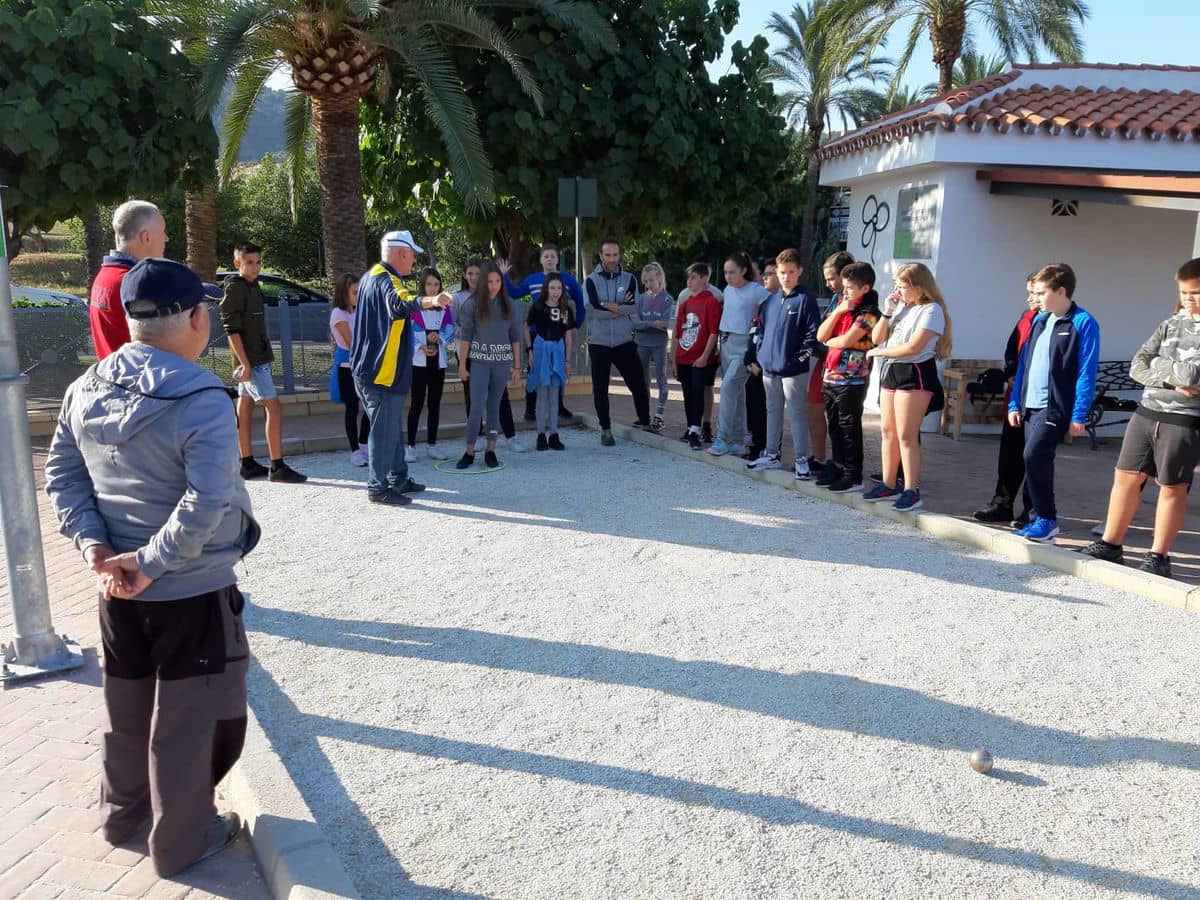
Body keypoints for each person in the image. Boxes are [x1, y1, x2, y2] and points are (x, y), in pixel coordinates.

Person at [45, 257, 257, 876]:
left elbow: (62, 475)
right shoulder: (200, 396)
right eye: (206, 312)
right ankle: (181, 841)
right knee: (193, 722)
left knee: (127, 709)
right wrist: (151, 561)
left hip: (118, 588)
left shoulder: (84, 387)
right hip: (189, 589)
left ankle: (123, 814)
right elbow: (208, 499)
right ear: (194, 318)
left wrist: (96, 549)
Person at [1081, 258, 1200, 579]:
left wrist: (1162, 366)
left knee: (1172, 487)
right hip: (1146, 413)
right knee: (1126, 477)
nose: (1189, 298)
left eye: (1196, 292)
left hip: (1184, 421)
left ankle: (1158, 556)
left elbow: (1195, 375)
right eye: (1184, 292)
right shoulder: (1170, 324)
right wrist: (1175, 378)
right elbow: (1138, 366)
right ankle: (1110, 544)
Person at [351, 230, 449, 505]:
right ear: (401, 254)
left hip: (369, 367)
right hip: (382, 371)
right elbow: (401, 302)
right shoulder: (391, 281)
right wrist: (431, 300)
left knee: (391, 426)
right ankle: (378, 486)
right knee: (383, 430)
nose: (414, 262)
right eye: (413, 256)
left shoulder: (369, 276)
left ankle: (398, 478)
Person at [1008, 262, 1100, 543]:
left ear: (1061, 291)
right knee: (1034, 460)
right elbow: (1024, 364)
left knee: (1033, 455)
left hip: (1055, 406)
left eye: (1041, 292)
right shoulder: (1040, 320)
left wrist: (1079, 413)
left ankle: (1047, 519)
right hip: (1030, 405)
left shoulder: (1083, 322)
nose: (1036, 298)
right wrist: (1015, 403)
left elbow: (1087, 370)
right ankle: (1038, 519)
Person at [864, 263, 952, 511]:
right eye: (897, 285)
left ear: (918, 286)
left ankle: (912, 489)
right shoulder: (902, 307)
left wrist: (880, 352)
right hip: (891, 370)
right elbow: (876, 338)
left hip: (914, 372)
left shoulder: (931, 309)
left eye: (903, 286)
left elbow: (914, 347)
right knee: (887, 432)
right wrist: (887, 313)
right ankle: (888, 482)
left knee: (906, 434)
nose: (898, 290)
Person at [219, 241, 306, 484]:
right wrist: (245, 364)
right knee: (273, 407)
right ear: (237, 263)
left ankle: (246, 462)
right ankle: (277, 465)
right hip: (253, 361)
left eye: (258, 262)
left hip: (256, 357)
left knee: (245, 406)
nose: (255, 267)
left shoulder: (252, 285)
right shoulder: (236, 288)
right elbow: (232, 330)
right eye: (249, 262)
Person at [746, 248, 820, 479]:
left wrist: (798, 359)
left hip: (793, 370)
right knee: (772, 411)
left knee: (796, 413)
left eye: (790, 272)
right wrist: (760, 355)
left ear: (799, 271)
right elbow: (761, 329)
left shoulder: (805, 299)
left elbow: (812, 335)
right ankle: (771, 455)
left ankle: (800, 459)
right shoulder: (770, 301)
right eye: (782, 272)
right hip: (769, 367)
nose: (786, 276)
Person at [973, 275, 1041, 526]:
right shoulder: (1026, 318)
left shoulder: (1063, 322)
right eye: (1030, 292)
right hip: (1016, 398)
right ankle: (1002, 503)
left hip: (1040, 401)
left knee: (1033, 456)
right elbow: (1012, 348)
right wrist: (1011, 372)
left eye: (1035, 292)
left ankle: (1031, 510)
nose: (1030, 297)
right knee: (1009, 454)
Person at [815, 261, 882, 493]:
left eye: (850, 288)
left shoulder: (870, 313)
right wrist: (839, 312)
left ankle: (854, 475)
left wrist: (831, 342)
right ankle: (839, 467)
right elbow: (820, 334)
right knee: (834, 426)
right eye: (844, 286)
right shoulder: (844, 307)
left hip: (852, 379)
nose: (845, 292)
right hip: (831, 377)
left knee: (849, 427)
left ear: (865, 288)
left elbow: (845, 341)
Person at [501, 242, 585, 421]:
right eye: (546, 256)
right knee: (534, 370)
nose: (549, 259)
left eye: (552, 256)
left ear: (557, 259)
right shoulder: (532, 280)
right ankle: (530, 409)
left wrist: (575, 324)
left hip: (559, 334)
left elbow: (579, 301)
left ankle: (559, 406)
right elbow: (514, 293)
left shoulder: (568, 280)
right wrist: (504, 276)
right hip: (536, 333)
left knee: (558, 369)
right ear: (540, 259)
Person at [585, 236, 651, 445]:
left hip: (624, 342)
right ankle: (606, 429)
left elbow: (634, 308)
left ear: (619, 254)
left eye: (615, 254)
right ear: (601, 255)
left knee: (638, 385)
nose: (612, 259)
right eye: (608, 255)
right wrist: (617, 308)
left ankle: (645, 423)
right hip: (599, 343)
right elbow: (592, 310)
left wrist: (611, 306)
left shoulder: (629, 279)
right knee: (600, 389)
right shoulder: (590, 281)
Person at [457, 261, 523, 469]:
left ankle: (491, 450)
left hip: (501, 364)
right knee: (476, 406)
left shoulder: (510, 305)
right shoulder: (471, 304)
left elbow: (515, 337)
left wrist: (517, 366)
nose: (494, 285)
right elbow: (466, 336)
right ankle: (469, 451)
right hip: (479, 362)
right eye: (490, 281)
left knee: (494, 407)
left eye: (498, 281)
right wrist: (462, 365)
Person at [89, 200, 168, 359]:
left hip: (114, 378)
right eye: (163, 232)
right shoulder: (136, 283)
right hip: (141, 380)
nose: (166, 238)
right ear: (146, 237)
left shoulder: (104, 276)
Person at [709, 251, 770, 457]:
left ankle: (722, 438)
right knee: (736, 392)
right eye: (726, 272)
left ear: (744, 270)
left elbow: (769, 316)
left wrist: (757, 351)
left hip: (744, 346)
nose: (728, 276)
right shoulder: (727, 290)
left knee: (727, 388)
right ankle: (737, 439)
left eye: (732, 272)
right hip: (726, 342)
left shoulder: (757, 291)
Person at [808, 252, 855, 473]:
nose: (828, 284)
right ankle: (821, 459)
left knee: (843, 418)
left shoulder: (860, 301)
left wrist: (827, 340)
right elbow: (822, 333)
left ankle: (847, 466)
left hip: (847, 366)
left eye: (831, 278)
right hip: (826, 361)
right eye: (825, 279)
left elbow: (847, 338)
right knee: (816, 407)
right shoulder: (837, 299)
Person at [668, 264, 722, 451]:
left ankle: (696, 429)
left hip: (701, 358)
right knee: (688, 393)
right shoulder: (685, 303)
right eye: (688, 278)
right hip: (684, 356)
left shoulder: (712, 301)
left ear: (705, 278)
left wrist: (705, 356)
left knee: (699, 391)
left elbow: (713, 332)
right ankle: (691, 427)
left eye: (694, 278)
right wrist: (674, 358)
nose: (689, 282)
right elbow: (677, 332)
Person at [406, 267, 455, 462]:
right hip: (418, 363)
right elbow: (407, 334)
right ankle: (410, 446)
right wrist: (421, 345)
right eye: (429, 284)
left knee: (434, 404)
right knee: (416, 404)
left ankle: (432, 445)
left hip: (438, 364)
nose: (433, 288)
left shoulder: (446, 309)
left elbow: (450, 331)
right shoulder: (414, 308)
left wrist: (439, 337)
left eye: (436, 284)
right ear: (422, 285)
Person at [525, 272, 575, 450]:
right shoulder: (537, 307)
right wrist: (529, 349)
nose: (556, 291)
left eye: (559, 288)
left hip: (558, 350)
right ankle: (540, 434)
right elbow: (526, 326)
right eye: (552, 287)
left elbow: (569, 336)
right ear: (547, 288)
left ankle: (554, 434)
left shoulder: (566, 309)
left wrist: (567, 361)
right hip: (541, 349)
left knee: (555, 395)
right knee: (542, 394)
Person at [328, 273, 369, 467]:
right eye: (354, 292)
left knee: (370, 406)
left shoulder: (359, 311)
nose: (358, 296)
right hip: (347, 366)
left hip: (364, 364)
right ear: (344, 293)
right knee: (352, 408)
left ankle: (364, 443)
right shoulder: (339, 313)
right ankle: (355, 451)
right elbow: (351, 342)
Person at [634, 262, 674, 434]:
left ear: (659, 279)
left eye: (651, 280)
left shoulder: (667, 299)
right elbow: (635, 323)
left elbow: (665, 324)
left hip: (659, 344)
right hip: (642, 343)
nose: (648, 284)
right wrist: (651, 323)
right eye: (645, 281)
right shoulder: (641, 299)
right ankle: (644, 415)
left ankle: (659, 415)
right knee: (642, 381)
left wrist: (645, 324)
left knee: (661, 378)